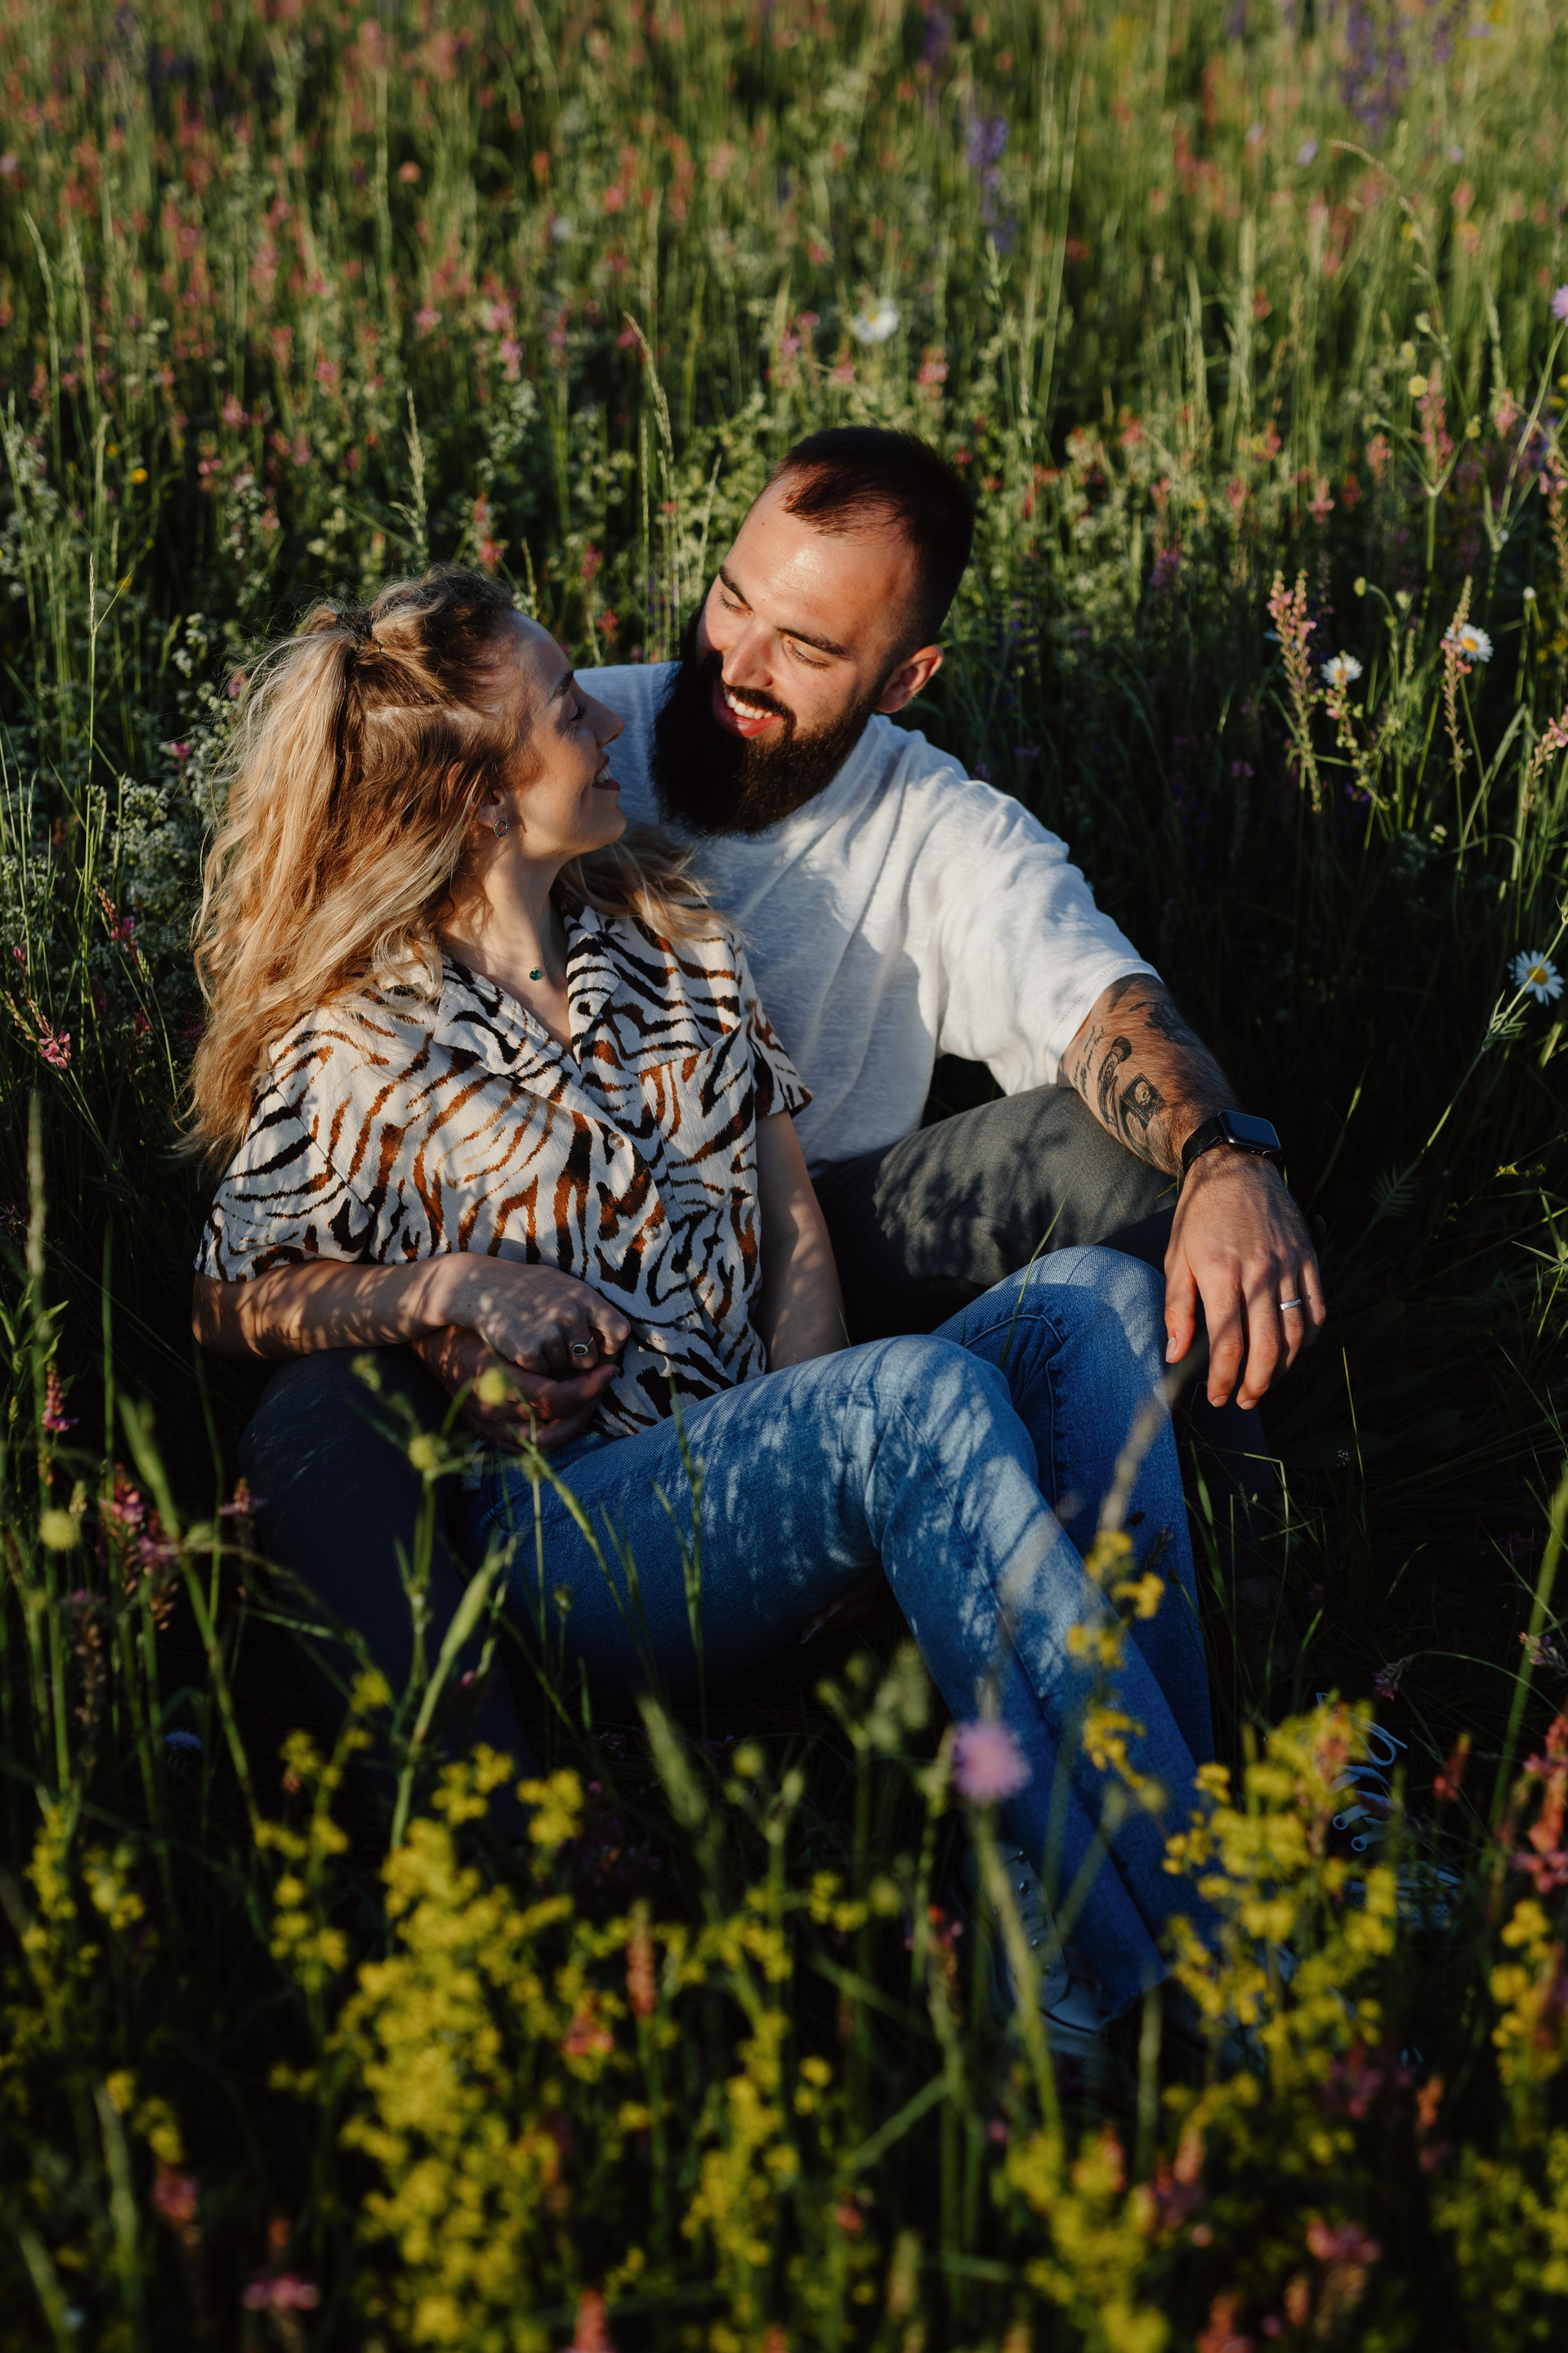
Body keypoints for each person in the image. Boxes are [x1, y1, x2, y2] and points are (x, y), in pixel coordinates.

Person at [191, 566, 1219, 2027]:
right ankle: (1198, 1956)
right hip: (577, 1527)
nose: (608, 725)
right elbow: (233, 1292)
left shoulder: (667, 930)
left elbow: (791, 1220)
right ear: (479, 801)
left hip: (757, 1452)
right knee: (920, 1397)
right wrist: (445, 1287)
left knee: (1093, 1311)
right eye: (566, 711)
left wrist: (822, 1437)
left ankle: (1115, 1892)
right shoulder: (360, 1043)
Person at [230, 428, 1324, 1717]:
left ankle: (1260, 1690)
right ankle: (468, 1784)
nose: (736, 665)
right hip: (543, 1325)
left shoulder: (929, 836)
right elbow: (344, 935)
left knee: (1122, 1188)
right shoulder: (554, 736)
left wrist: (1227, 1157)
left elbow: (1101, 1008)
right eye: (731, 600)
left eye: (805, 648)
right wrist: (441, 1312)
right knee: (313, 1410)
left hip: (815, 1236)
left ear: (903, 678)